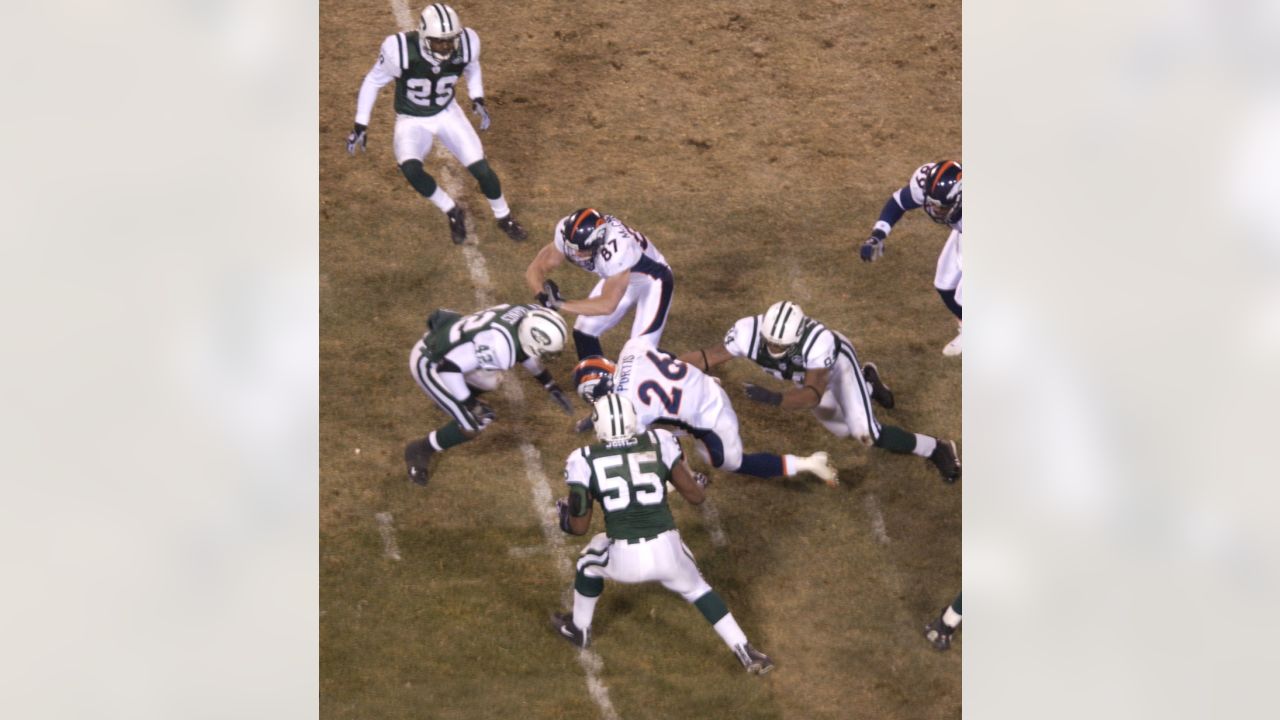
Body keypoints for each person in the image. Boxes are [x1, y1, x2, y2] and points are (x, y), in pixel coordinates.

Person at [551, 393, 775, 675]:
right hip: (668, 549)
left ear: (599, 426)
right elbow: (696, 496)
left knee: (588, 563)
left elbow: (579, 527)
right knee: (698, 589)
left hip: (626, 559)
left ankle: (579, 629)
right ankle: (748, 652)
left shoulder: (583, 460)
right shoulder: (659, 441)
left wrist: (564, 516)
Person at [678, 301, 961, 483]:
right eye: (769, 343)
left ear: (797, 337)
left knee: (867, 434)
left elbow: (813, 393)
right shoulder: (746, 332)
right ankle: (870, 384)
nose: (773, 349)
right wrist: (666, 368)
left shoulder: (819, 343)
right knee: (840, 429)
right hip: (806, 375)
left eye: (780, 345)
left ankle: (936, 447)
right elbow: (708, 356)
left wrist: (775, 398)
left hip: (836, 367)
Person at [345, 3, 528, 245]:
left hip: (447, 113)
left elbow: (472, 66)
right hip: (412, 119)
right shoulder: (399, 50)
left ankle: (504, 216)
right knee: (410, 169)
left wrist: (477, 96)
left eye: (450, 40)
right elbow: (373, 81)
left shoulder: (467, 43)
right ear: (423, 36)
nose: (445, 46)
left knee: (482, 170)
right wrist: (361, 123)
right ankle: (452, 210)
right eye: (439, 41)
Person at [573, 337, 838, 485]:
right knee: (661, 425)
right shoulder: (631, 348)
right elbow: (667, 356)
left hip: (711, 418)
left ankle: (809, 463)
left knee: (730, 462)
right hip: (702, 386)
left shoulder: (629, 408)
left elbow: (639, 449)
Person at [404, 303, 572, 485]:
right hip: (431, 363)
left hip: (450, 346)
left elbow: (524, 351)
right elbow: (448, 368)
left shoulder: (527, 313)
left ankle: (449, 398)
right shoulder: (499, 348)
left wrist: (549, 384)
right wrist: (470, 404)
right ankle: (420, 448)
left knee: (490, 380)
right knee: (475, 423)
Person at [525, 208, 674, 360]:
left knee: (641, 354)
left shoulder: (618, 250)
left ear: (598, 241)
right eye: (571, 247)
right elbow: (538, 266)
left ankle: (677, 371)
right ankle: (594, 379)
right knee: (584, 332)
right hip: (617, 276)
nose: (575, 254)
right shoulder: (567, 233)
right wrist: (541, 293)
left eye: (581, 250)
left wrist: (560, 303)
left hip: (652, 282)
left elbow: (607, 305)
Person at [859, 160, 963, 356]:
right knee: (945, 285)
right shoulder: (926, 185)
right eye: (931, 204)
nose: (935, 211)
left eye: (941, 207)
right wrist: (878, 235)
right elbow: (898, 202)